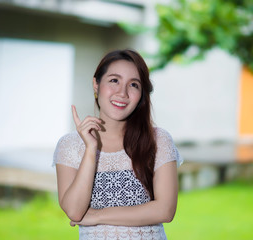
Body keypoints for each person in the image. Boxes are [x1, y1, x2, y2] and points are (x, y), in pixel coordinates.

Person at [53, 49, 183, 240]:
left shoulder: (158, 140)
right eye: (114, 80)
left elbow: (165, 210)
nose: (122, 93)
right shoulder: (70, 145)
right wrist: (91, 149)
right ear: (96, 84)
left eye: (134, 85)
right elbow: (74, 211)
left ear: (141, 95)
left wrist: (97, 216)